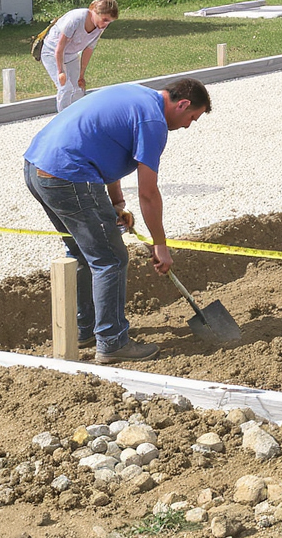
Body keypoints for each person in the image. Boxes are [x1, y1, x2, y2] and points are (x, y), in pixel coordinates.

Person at [23, 78, 212, 363]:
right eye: (191, 118)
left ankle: (84, 330)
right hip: (67, 175)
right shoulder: (154, 123)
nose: (187, 125)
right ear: (183, 104)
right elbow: (149, 193)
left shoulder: (138, 95)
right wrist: (161, 245)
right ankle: (112, 342)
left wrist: (116, 203)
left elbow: (107, 147)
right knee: (111, 258)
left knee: (83, 252)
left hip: (38, 167)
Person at [41, 0, 119, 110]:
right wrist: (61, 71)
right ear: (95, 12)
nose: (106, 24)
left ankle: (78, 118)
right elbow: (60, 47)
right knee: (65, 88)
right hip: (52, 52)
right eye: (105, 20)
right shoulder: (76, 19)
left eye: (109, 22)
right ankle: (64, 120)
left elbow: (88, 49)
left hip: (71, 54)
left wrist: (81, 75)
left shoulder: (100, 26)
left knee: (78, 87)